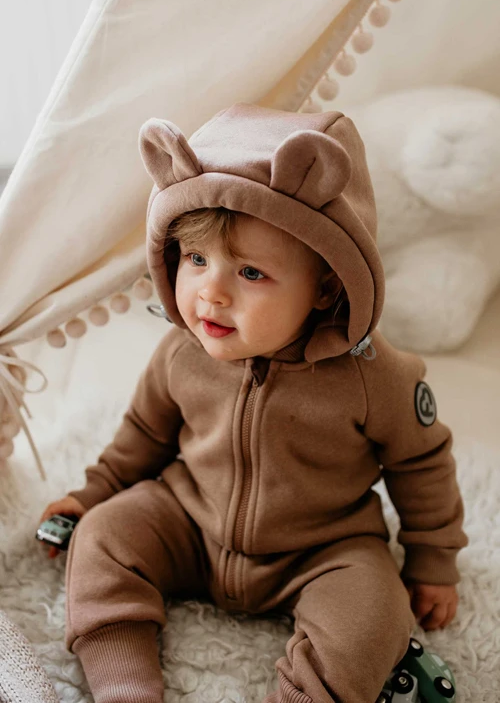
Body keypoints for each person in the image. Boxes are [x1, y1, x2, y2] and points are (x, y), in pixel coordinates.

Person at [39, 103, 468, 703]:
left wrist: (433, 559)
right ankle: (125, 685)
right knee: (104, 536)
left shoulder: (374, 377)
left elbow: (422, 463)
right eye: (196, 260)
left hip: (322, 550)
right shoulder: (181, 353)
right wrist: (94, 494)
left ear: (325, 287)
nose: (210, 293)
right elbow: (145, 432)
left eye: (250, 273)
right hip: (190, 523)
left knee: (376, 614)